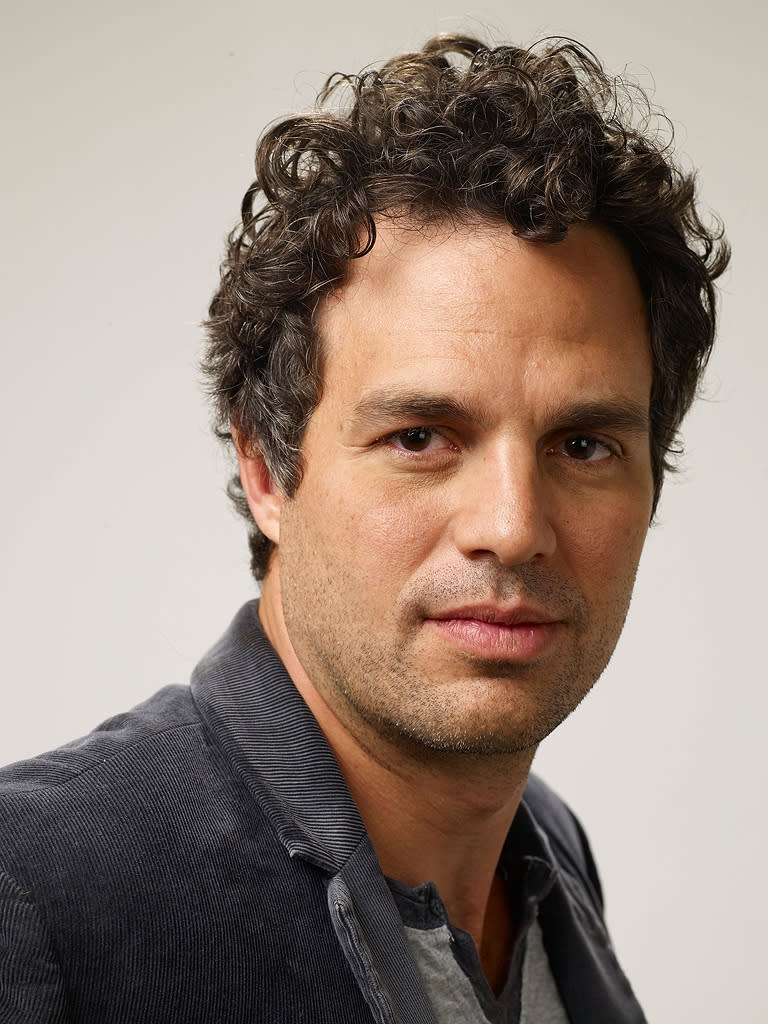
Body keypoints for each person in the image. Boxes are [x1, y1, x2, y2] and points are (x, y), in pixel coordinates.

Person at [0, 34, 728, 1024]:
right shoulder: (31, 889)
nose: (513, 529)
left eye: (585, 444)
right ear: (267, 466)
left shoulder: (546, 850)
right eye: (422, 435)